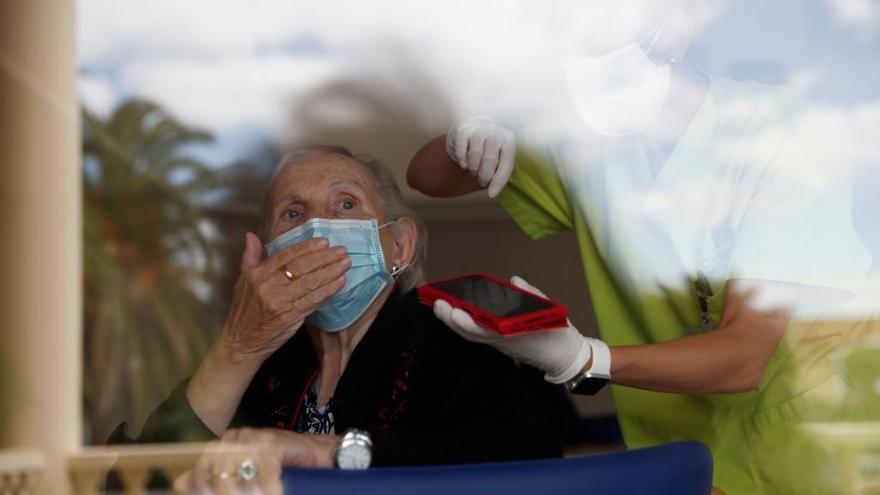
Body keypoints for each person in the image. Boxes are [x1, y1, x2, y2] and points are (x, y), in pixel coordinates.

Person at [407, 2, 874, 494]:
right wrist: (471, 129)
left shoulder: (787, 140)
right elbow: (429, 178)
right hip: (684, 448)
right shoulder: (586, 147)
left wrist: (583, 358)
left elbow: (745, 356)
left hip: (814, 447)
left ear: (670, 37)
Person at [114, 146, 569, 494]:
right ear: (267, 253)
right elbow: (137, 482)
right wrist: (239, 347)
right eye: (293, 214)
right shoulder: (269, 362)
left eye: (346, 205)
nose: (318, 227)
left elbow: (528, 456)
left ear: (400, 246)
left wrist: (328, 452)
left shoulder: (454, 334)